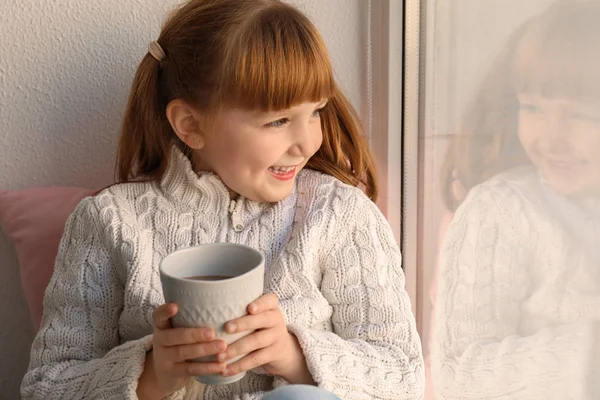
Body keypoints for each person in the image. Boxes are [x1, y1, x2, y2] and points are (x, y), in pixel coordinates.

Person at [20, 0, 425, 399]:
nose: (306, 143)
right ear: (191, 125)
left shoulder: (339, 215)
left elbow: (404, 377)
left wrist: (293, 354)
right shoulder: (108, 221)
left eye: (316, 111)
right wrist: (151, 374)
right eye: (278, 121)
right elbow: (45, 387)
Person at [431, 0, 600, 398]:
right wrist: (587, 356)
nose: (551, 137)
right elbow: (458, 373)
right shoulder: (501, 211)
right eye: (533, 108)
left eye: (582, 115)